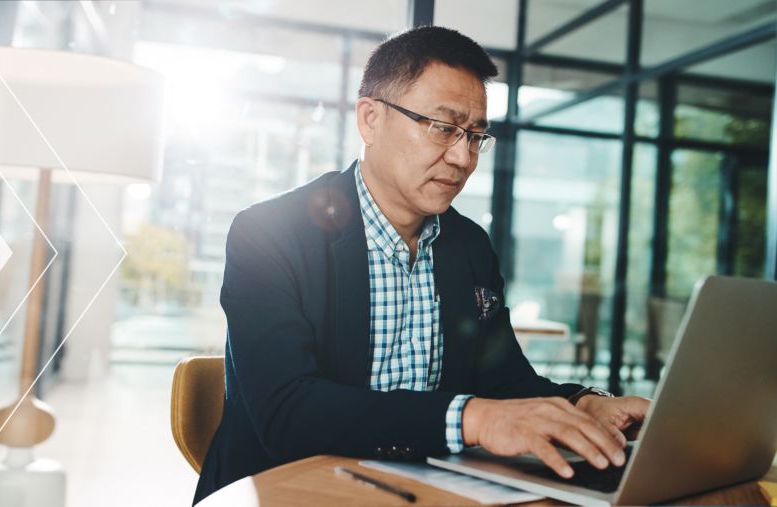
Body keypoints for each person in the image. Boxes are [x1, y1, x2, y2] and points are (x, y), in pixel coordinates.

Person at [192, 25, 649, 504]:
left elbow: (506, 380)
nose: (462, 158)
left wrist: (584, 406)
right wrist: (474, 419)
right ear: (370, 119)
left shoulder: (468, 245)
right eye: (443, 127)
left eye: (475, 136)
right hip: (284, 487)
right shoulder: (268, 233)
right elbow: (288, 412)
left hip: (423, 489)